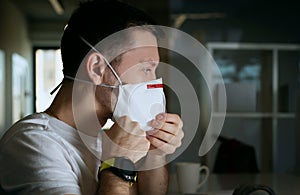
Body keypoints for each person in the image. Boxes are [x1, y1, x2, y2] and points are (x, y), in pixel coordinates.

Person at [0, 0, 184, 195]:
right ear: (97, 68)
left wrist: (155, 151)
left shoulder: (105, 141)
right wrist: (117, 166)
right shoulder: (33, 144)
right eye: (146, 69)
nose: (154, 83)